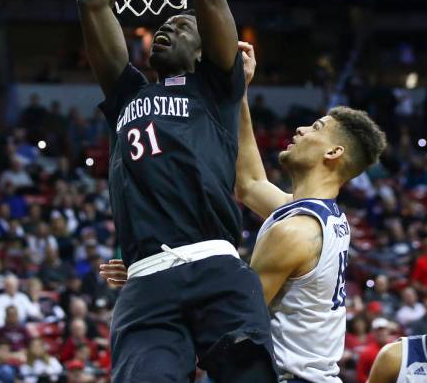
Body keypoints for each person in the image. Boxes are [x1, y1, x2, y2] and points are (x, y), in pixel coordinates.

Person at [77, 0, 276, 383]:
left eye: (183, 26)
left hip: (215, 266)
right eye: (165, 23)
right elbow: (94, 5)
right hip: (146, 284)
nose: (168, 25)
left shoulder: (216, 86)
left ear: (208, 47)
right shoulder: (126, 93)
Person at [101, 41, 388, 383]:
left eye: (316, 128)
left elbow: (218, 317)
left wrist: (161, 271)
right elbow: (250, 183)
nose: (301, 129)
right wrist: (238, 89)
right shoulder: (314, 216)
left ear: (334, 152)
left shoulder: (294, 233)